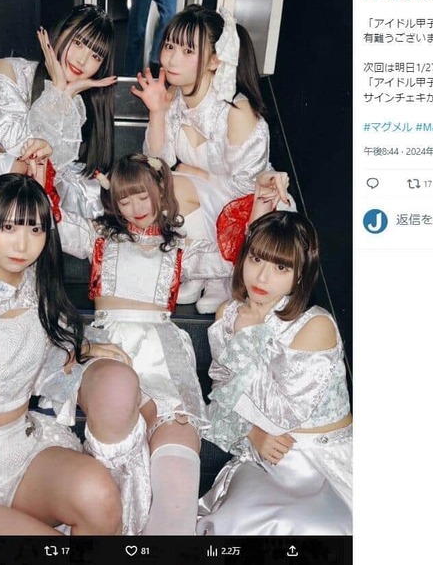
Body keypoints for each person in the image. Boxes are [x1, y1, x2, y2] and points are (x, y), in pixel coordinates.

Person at [52, 154, 283, 534]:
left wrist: (259, 207)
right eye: (124, 200)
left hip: (162, 349)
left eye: (142, 196)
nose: (135, 207)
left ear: (160, 190)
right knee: (115, 424)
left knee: (179, 457)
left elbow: (232, 259)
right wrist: (40, 175)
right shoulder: (99, 235)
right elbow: (56, 224)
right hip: (110, 344)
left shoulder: (179, 247)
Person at [0, 174, 149, 535]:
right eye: (8, 227)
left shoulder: (36, 288)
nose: (22, 244)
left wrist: (81, 347)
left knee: (99, 497)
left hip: (22, 447)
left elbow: (38, 348)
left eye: (35, 229)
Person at [196, 211, 353, 535]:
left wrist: (247, 337)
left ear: (300, 274)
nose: (262, 277)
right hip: (265, 453)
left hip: (322, 460)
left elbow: (282, 415)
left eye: (281, 267)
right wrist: (251, 433)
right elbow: (223, 394)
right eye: (256, 259)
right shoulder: (228, 314)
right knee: (238, 519)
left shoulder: (316, 325)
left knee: (306, 526)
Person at [0, 4, 117, 263]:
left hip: (49, 188)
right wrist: (58, 91)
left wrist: (66, 94)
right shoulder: (9, 69)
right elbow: (15, 146)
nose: (82, 60)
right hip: (6, 181)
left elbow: (53, 165)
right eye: (78, 43)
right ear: (60, 32)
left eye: (96, 55)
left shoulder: (81, 102)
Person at [132, 4, 283, 313]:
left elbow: (246, 188)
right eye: (170, 46)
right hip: (209, 199)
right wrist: (158, 112)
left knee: (175, 184)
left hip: (249, 205)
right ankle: (198, 271)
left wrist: (195, 173)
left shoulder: (236, 110)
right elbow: (157, 163)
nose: (172, 59)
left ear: (215, 60)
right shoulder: (174, 97)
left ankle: (221, 275)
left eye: (188, 51)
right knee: (158, 185)